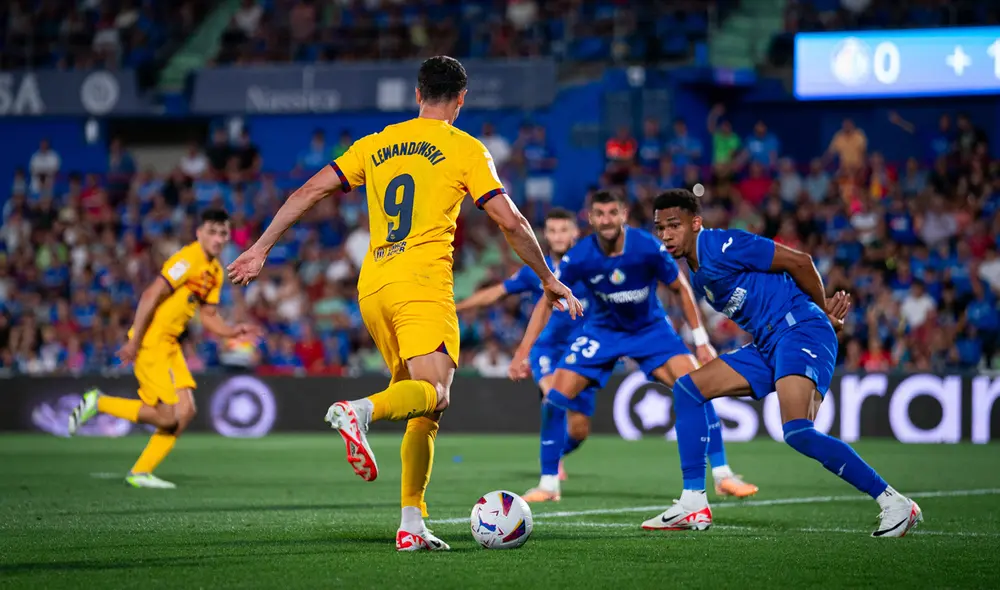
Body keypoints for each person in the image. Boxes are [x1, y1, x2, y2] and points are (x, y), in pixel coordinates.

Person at [226, 56, 581, 552]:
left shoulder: (376, 144)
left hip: (373, 288)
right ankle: (359, 411)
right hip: (421, 284)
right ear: (460, 100)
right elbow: (511, 220)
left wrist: (261, 246)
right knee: (435, 392)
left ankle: (411, 523)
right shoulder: (465, 147)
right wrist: (548, 278)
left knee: (421, 406)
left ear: (417, 95)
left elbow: (312, 189)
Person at [648, 188, 922, 537]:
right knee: (688, 389)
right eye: (660, 228)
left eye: (674, 225)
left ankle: (894, 502)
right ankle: (693, 503)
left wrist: (821, 313)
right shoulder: (698, 272)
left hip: (799, 330)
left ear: (696, 223)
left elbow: (800, 262)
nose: (666, 235)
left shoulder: (722, 246)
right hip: (767, 343)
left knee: (797, 432)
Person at [510, 190, 758, 505]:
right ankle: (548, 484)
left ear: (623, 214)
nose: (607, 220)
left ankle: (723, 475)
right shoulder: (580, 257)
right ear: (591, 218)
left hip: (650, 330)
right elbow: (548, 300)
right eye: (599, 214)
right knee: (555, 399)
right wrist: (522, 352)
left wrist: (701, 340)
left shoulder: (647, 247)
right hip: (603, 332)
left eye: (612, 213)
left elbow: (680, 288)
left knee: (696, 386)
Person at [67, 209, 260, 489]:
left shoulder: (215, 271)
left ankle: (141, 472)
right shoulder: (187, 259)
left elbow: (208, 316)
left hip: (170, 344)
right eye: (213, 231)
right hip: (151, 340)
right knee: (167, 416)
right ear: (199, 233)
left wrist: (232, 331)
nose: (219, 238)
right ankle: (99, 402)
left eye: (223, 233)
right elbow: (150, 294)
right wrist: (135, 340)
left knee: (187, 411)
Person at [457, 208, 593, 495]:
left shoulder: (589, 263)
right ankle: (549, 476)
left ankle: (553, 453)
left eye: (563, 230)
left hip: (583, 352)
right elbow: (497, 293)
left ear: (575, 233)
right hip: (546, 350)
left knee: (579, 429)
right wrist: (457, 307)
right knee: (555, 398)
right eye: (552, 231)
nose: (557, 236)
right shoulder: (537, 270)